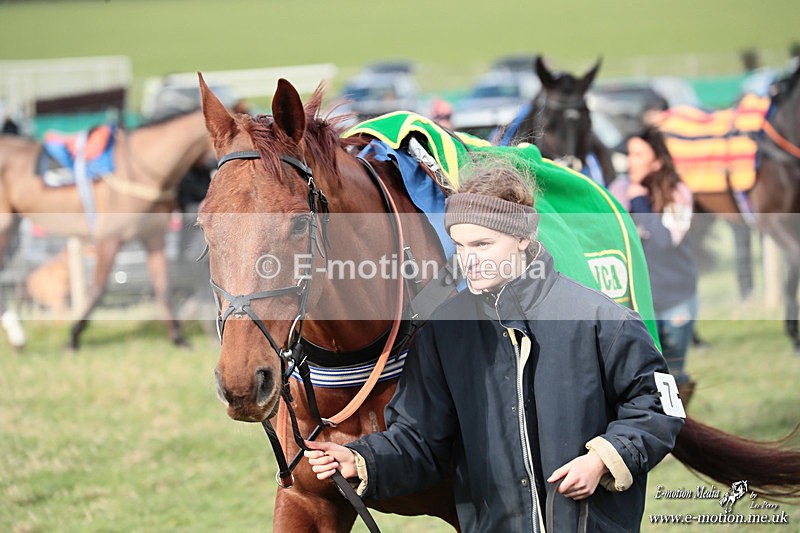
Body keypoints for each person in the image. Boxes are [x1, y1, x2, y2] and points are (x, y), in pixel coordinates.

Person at [304, 157, 684, 532]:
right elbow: (420, 440)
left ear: (523, 238)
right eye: (461, 246)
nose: (470, 260)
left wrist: (602, 459)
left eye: (483, 244)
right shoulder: (443, 332)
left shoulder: (603, 319)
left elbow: (658, 408)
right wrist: (362, 460)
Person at [625, 126, 698, 405]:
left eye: (637, 154)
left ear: (656, 161)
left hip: (676, 297)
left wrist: (639, 201)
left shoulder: (677, 193)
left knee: (674, 372)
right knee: (649, 375)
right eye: (629, 154)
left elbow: (663, 240)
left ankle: (681, 432)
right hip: (639, 302)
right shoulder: (619, 190)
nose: (630, 161)